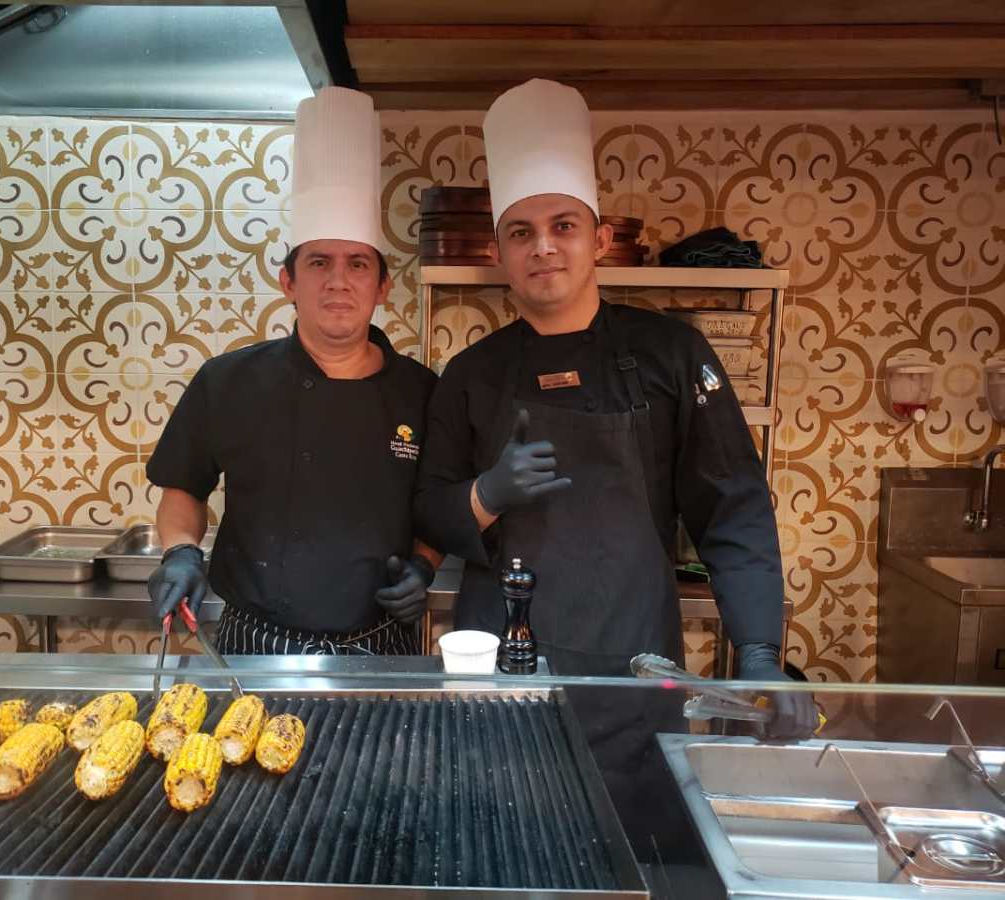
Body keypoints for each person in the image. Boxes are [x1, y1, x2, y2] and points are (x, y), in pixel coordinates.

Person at [413, 79, 816, 835]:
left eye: (563, 224)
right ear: (498, 252)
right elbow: (430, 508)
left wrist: (760, 651)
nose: (543, 246)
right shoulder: (470, 374)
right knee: (503, 844)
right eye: (522, 232)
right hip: (502, 667)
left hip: (632, 665)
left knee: (636, 849)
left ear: (598, 238)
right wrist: (488, 493)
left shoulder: (671, 354)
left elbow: (732, 504)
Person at [145, 87, 439, 654]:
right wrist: (180, 550)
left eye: (358, 264)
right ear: (288, 281)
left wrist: (424, 566)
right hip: (255, 637)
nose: (337, 281)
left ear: (381, 287)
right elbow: (183, 487)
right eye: (318, 263)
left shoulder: (422, 392)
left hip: (382, 639)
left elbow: (437, 505)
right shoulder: (227, 381)